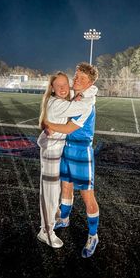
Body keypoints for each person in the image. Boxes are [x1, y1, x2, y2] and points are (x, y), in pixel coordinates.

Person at [44, 62, 99, 258]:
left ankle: (93, 235)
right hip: (68, 148)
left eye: (80, 79)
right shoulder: (78, 96)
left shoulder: (87, 102)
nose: (75, 80)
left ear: (89, 83)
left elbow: (68, 129)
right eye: (75, 76)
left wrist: (47, 123)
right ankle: (65, 218)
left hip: (82, 152)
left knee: (87, 196)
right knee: (66, 186)